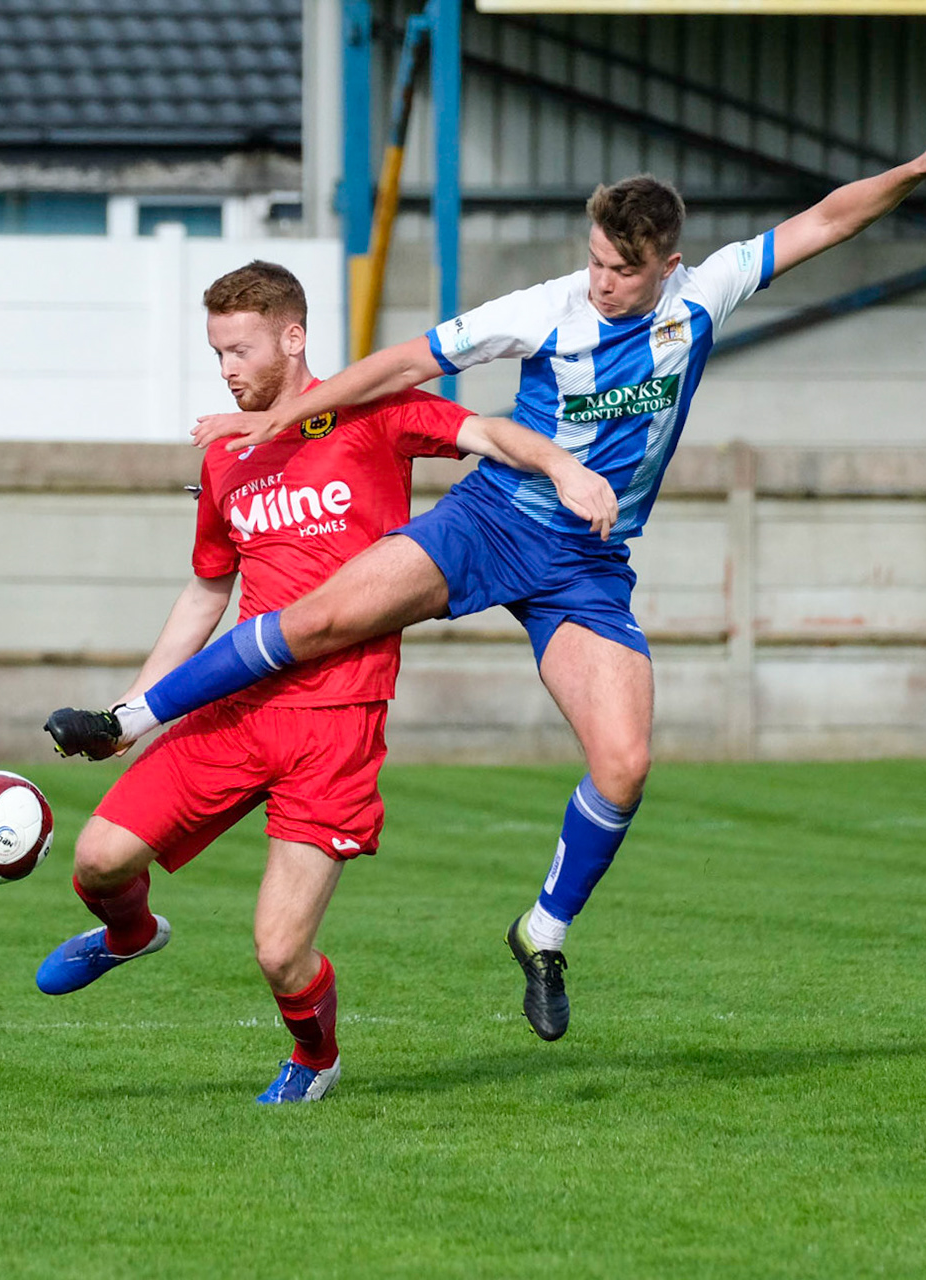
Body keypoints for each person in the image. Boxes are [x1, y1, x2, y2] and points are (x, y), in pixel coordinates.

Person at [50, 128, 926, 1043]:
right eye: (593, 261)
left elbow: (830, 220)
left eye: (621, 270)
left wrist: (918, 168)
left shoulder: (706, 296)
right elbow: (404, 364)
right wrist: (282, 417)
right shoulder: (546, 309)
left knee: (625, 764)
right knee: (325, 613)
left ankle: (542, 932)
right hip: (492, 521)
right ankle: (130, 721)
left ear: (668, 266)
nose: (600, 281)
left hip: (587, 567)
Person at [38, 261, 616, 1104]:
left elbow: (491, 435)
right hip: (233, 705)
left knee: (279, 952)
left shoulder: (372, 412)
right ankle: (131, 934)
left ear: (293, 336)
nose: (227, 370)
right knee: (96, 861)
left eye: (240, 350)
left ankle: (315, 1059)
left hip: (336, 722)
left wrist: (564, 469)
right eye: (217, 353)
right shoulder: (227, 457)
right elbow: (207, 589)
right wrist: (133, 706)